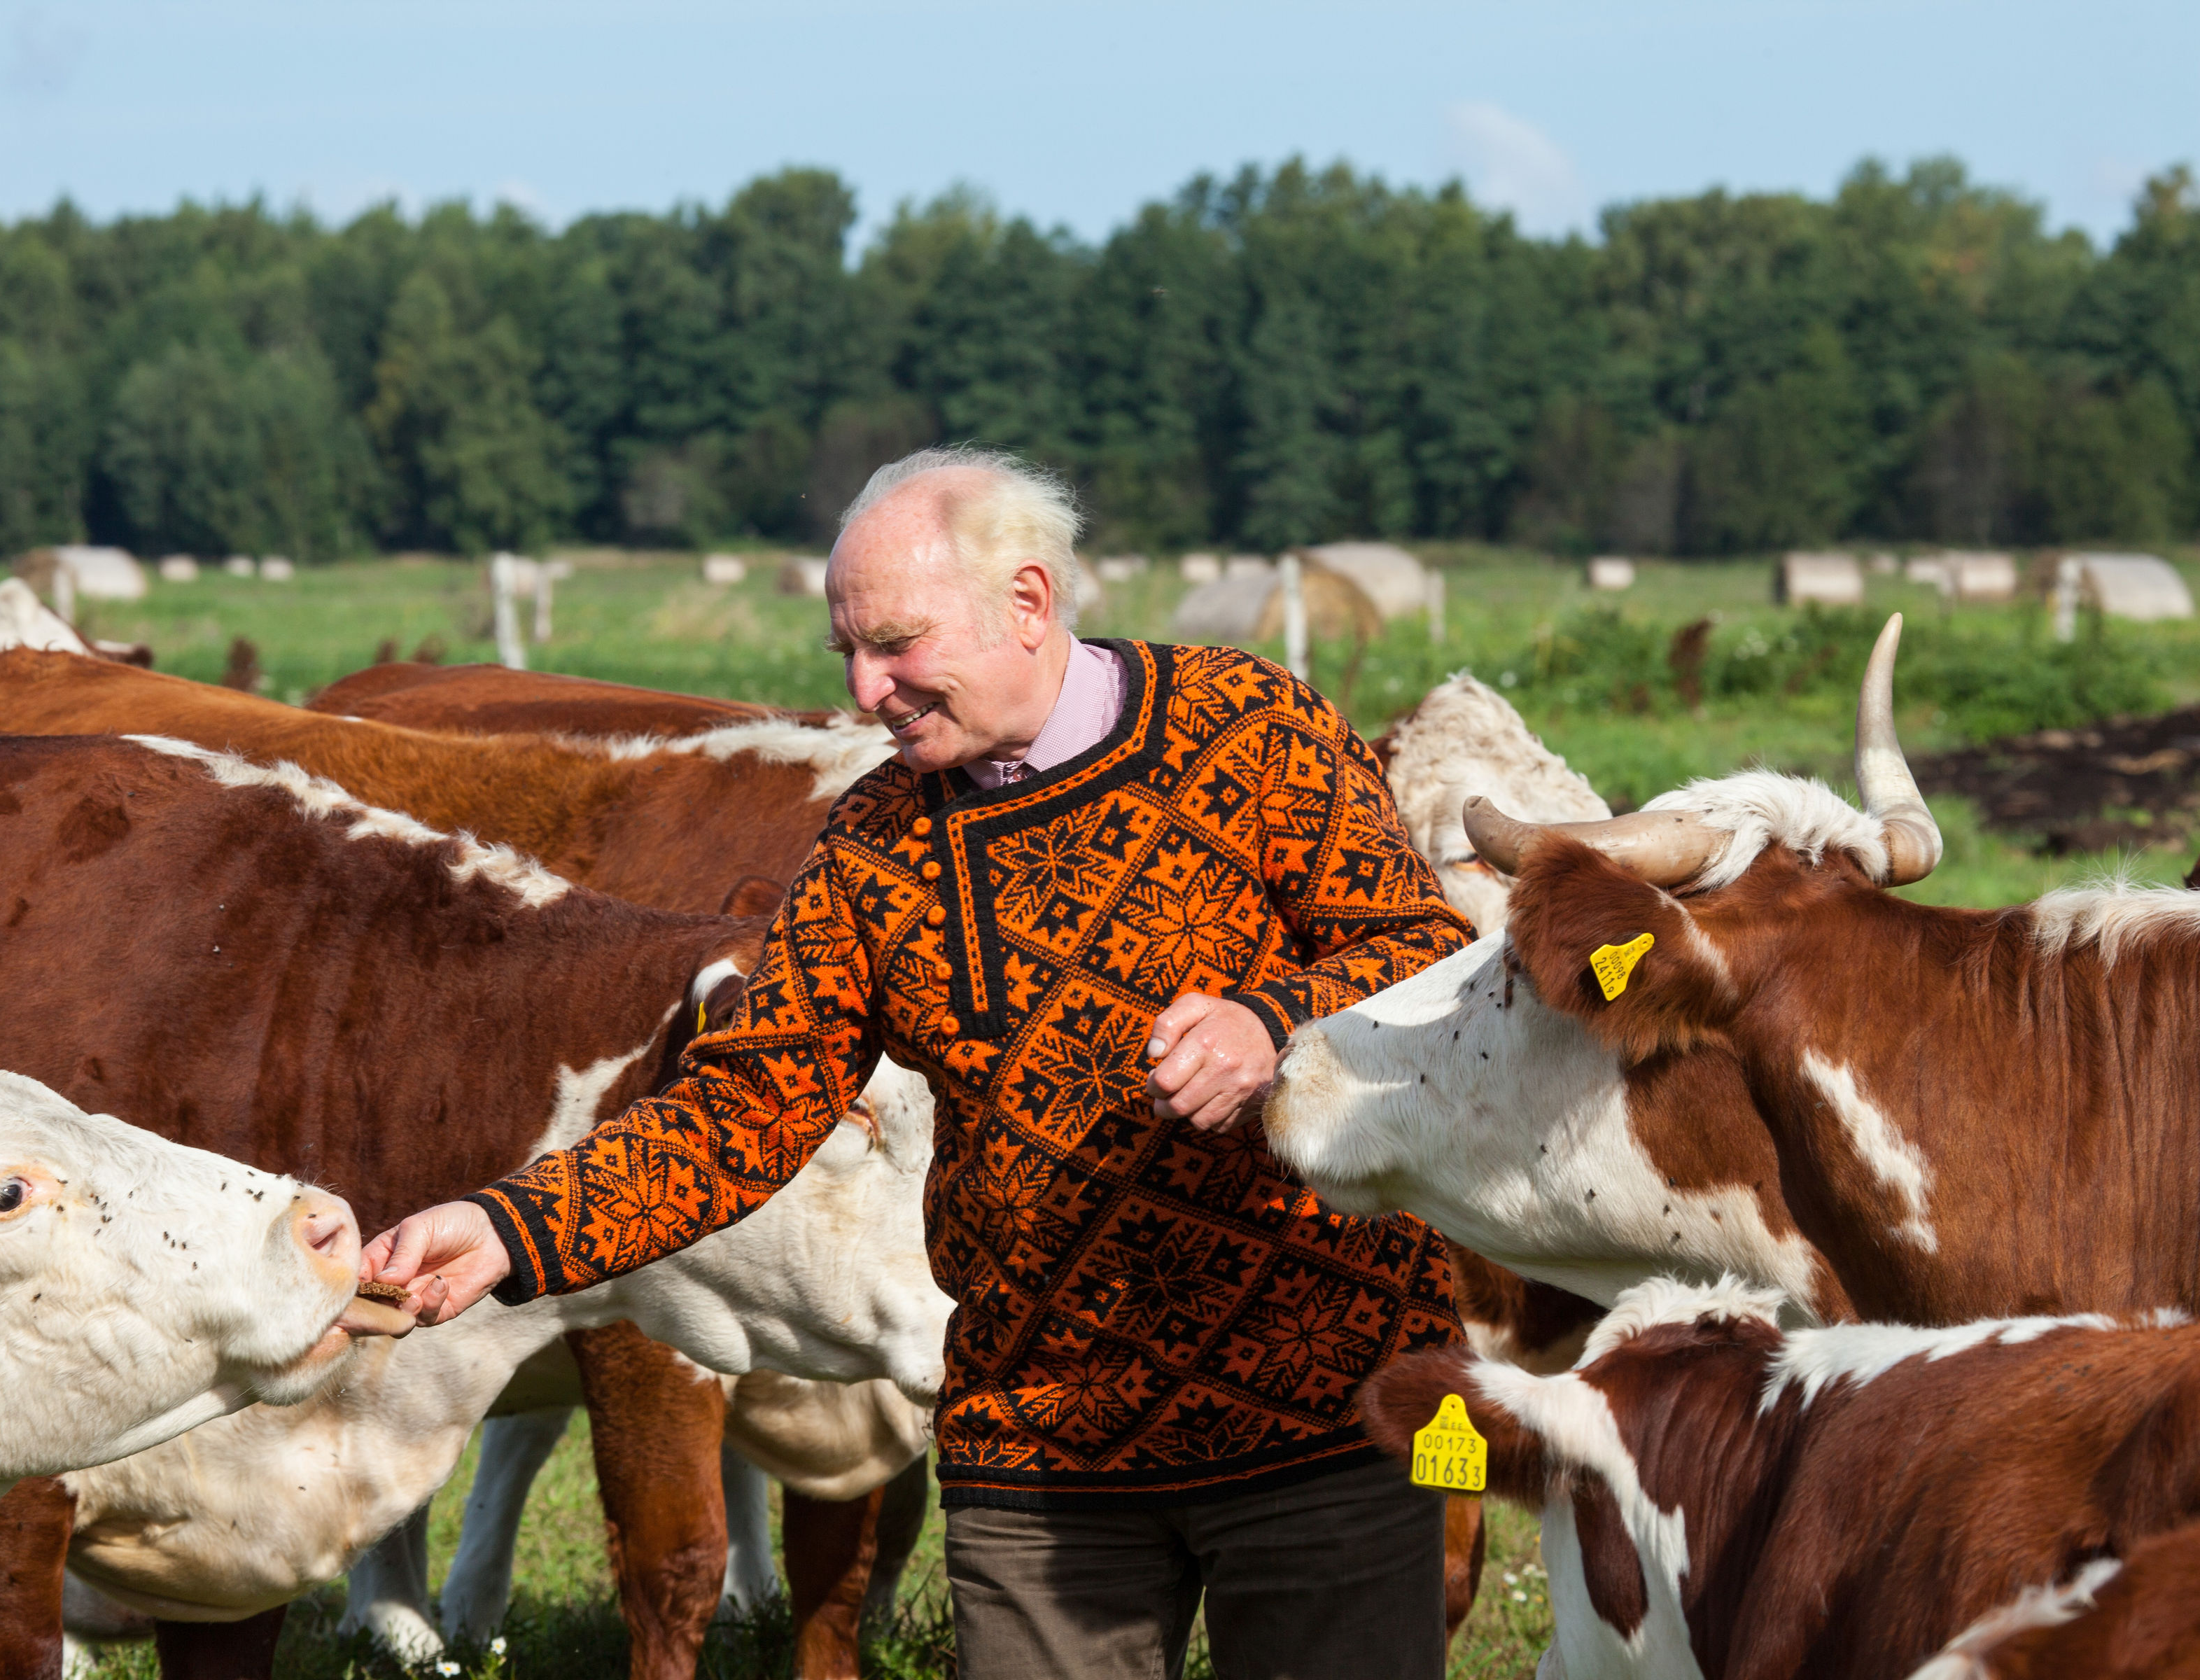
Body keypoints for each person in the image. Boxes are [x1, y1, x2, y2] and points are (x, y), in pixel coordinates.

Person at [363, 447, 1476, 1678]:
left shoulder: (1252, 725)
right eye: (844, 649)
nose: (864, 689)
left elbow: (1425, 955)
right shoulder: (876, 848)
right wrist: (511, 1227)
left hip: (1328, 1416)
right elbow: (743, 1109)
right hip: (1044, 1452)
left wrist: (1277, 1022)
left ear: (1030, 602)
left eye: (895, 643)